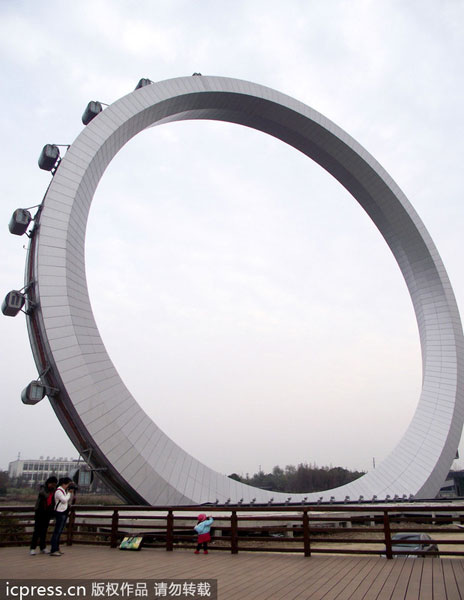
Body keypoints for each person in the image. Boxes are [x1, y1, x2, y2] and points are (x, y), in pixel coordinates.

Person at [29, 476, 58, 555]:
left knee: (44, 531)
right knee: (37, 530)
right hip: (40, 512)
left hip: (47, 513)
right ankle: (32, 548)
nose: (53, 486)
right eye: (52, 484)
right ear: (49, 483)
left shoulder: (53, 490)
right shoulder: (43, 489)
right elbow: (45, 495)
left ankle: (43, 547)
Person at [49, 477, 75, 556]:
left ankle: (57, 548)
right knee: (57, 531)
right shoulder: (59, 491)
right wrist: (69, 493)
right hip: (59, 512)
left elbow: (68, 500)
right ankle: (53, 549)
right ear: (64, 484)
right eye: (68, 484)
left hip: (63, 512)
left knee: (59, 531)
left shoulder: (63, 491)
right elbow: (64, 500)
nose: (68, 486)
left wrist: (69, 493)